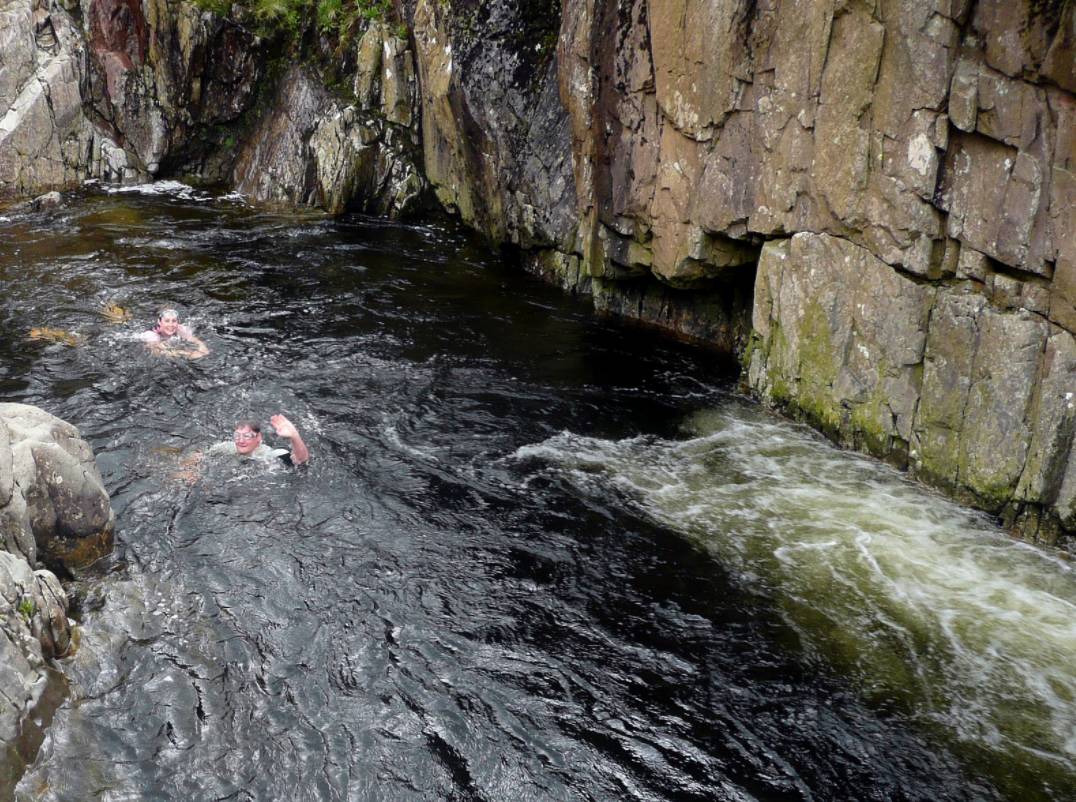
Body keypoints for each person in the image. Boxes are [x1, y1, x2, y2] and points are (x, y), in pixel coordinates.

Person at [173, 414, 310, 482]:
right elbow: (200, 453)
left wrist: (294, 437)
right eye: (237, 436)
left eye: (248, 436)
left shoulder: (267, 455)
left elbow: (301, 460)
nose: (241, 441)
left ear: (258, 438)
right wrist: (191, 470)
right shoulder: (229, 447)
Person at [140, 307, 209, 359]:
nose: (171, 325)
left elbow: (194, 340)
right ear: (159, 322)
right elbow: (159, 352)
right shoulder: (151, 335)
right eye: (167, 321)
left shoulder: (181, 329)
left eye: (174, 321)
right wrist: (189, 354)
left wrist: (202, 346)